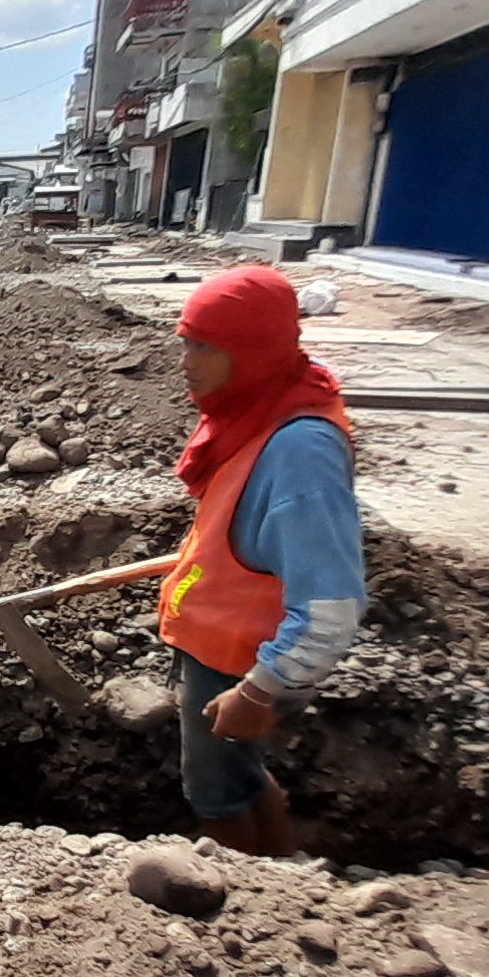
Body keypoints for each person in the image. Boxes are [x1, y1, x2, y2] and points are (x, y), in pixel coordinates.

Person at [156, 265, 363, 858]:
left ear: (251, 352)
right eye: (186, 341)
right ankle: (286, 866)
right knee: (238, 777)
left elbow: (331, 606)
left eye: (207, 347)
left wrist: (258, 691)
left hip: (244, 660)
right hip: (223, 646)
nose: (187, 361)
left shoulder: (300, 452)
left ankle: (252, 902)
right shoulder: (255, 412)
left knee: (217, 794)